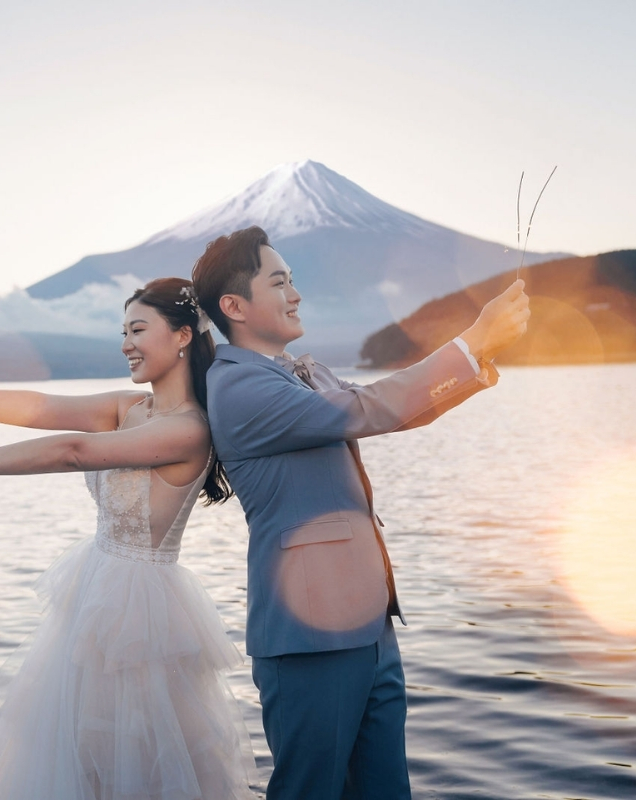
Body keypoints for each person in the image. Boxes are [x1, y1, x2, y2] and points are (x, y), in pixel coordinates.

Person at [0, 277, 255, 800]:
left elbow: (72, 450)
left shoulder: (189, 430)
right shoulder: (130, 408)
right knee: (75, 757)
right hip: (95, 593)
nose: (126, 344)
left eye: (138, 329)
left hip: (141, 617)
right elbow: (38, 408)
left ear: (183, 336)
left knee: (132, 762)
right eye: (123, 331)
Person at [191, 226, 530, 799]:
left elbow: (394, 410)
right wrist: (471, 339)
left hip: (371, 626)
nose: (296, 293)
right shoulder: (239, 387)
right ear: (234, 306)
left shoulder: (303, 373)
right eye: (280, 282)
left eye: (293, 280)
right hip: (308, 638)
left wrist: (482, 354)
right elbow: (369, 408)